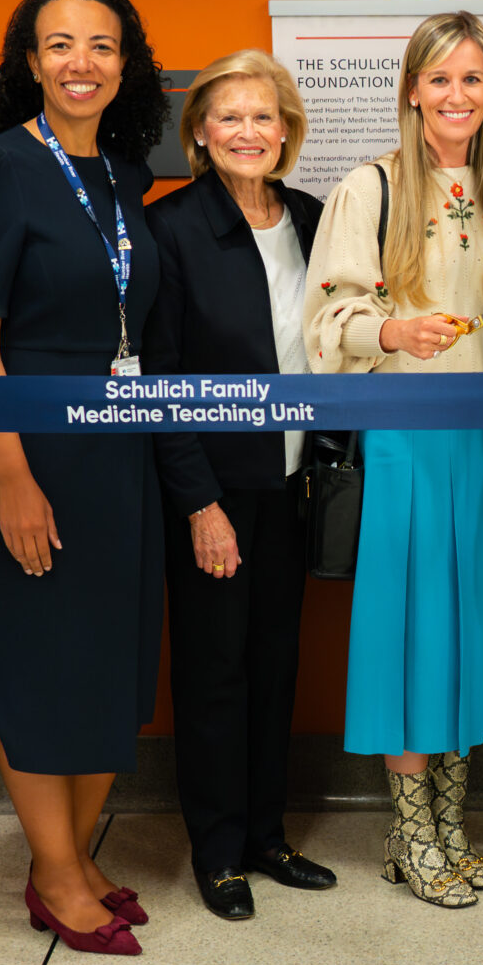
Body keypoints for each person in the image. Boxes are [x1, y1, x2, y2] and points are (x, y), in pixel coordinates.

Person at [0, 0, 166, 955]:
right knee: (37, 663)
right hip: (27, 449)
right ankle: (54, 871)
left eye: (103, 44)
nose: (83, 61)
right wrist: (10, 474)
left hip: (117, 458)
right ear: (29, 61)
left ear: (127, 63)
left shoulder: (128, 174)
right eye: (60, 44)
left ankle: (71, 858)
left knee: (106, 663)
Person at [306, 11, 483, 908]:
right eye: (440, 79)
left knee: (468, 632)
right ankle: (410, 833)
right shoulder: (372, 187)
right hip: (406, 435)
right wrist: (392, 327)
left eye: (473, 79)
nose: (457, 95)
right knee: (414, 635)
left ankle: (448, 831)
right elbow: (324, 324)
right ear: (411, 90)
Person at [144, 50, 338, 920]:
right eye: (230, 118)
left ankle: (268, 833)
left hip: (294, 484)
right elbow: (160, 375)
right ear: (199, 133)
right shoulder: (173, 227)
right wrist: (198, 504)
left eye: (266, 118)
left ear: (288, 131)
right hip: (217, 495)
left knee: (274, 665)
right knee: (215, 673)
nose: (249, 133)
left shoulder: (311, 216)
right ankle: (219, 851)